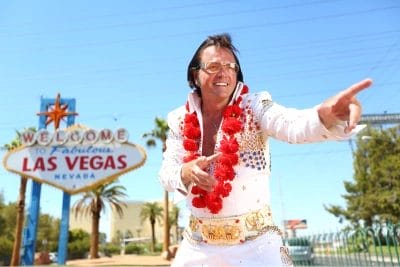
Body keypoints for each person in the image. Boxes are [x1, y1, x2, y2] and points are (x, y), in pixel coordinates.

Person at [158, 33, 372, 267]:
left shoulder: (255, 105)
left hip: (257, 244)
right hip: (198, 244)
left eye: (230, 66)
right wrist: (184, 173)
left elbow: (290, 123)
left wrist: (323, 116)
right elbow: (166, 174)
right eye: (213, 66)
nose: (224, 73)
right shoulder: (179, 118)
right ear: (195, 75)